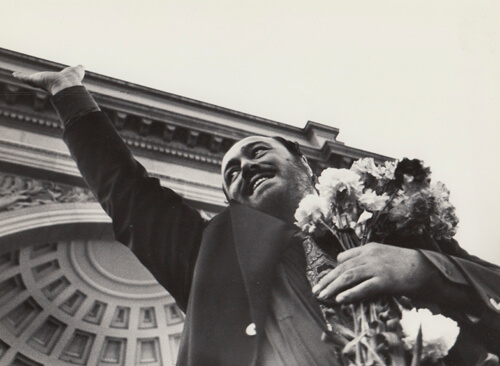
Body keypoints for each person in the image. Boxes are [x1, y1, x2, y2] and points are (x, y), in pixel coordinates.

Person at [13, 66, 500, 365]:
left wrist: (421, 269)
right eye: (230, 172)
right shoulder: (211, 258)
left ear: (303, 165)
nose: (243, 168)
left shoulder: (394, 226)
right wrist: (69, 95)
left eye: (256, 152)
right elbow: (129, 194)